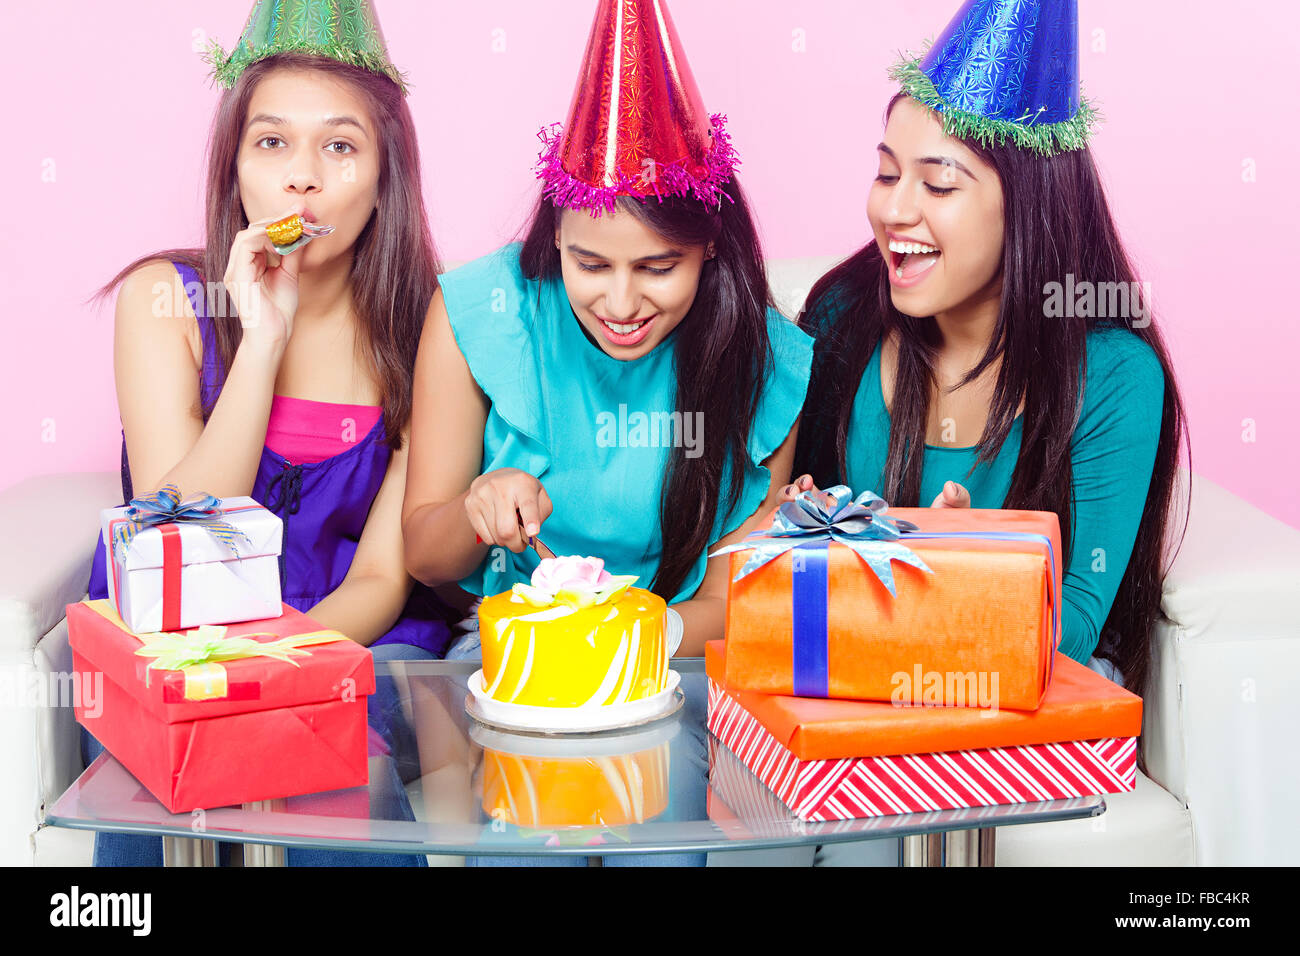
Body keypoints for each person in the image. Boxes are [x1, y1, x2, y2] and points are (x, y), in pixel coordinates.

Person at [401, 0, 813, 866]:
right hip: (518, 659)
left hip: (681, 659)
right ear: (556, 240)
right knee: (527, 835)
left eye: (658, 268)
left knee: (666, 836)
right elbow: (424, 559)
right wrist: (475, 507)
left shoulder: (766, 362)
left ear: (710, 250)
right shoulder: (481, 312)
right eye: (590, 264)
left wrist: (636, 638)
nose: (621, 305)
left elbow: (743, 604)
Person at [82, 0, 451, 866]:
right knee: (147, 795)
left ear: (385, 174)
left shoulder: (427, 326)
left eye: (341, 145)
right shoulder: (162, 300)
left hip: (339, 633)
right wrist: (265, 339)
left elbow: (381, 577)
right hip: (174, 636)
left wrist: (279, 681)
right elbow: (176, 528)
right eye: (273, 142)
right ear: (236, 166)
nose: (303, 179)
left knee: (342, 780)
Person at [790, 0, 1188, 704]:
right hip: (852, 697)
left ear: (1029, 206)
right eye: (886, 175)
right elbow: (798, 576)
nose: (893, 211)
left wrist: (957, 571)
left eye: (938, 184)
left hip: (1009, 708)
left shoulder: (1115, 374)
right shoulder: (843, 317)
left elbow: (1076, 622)